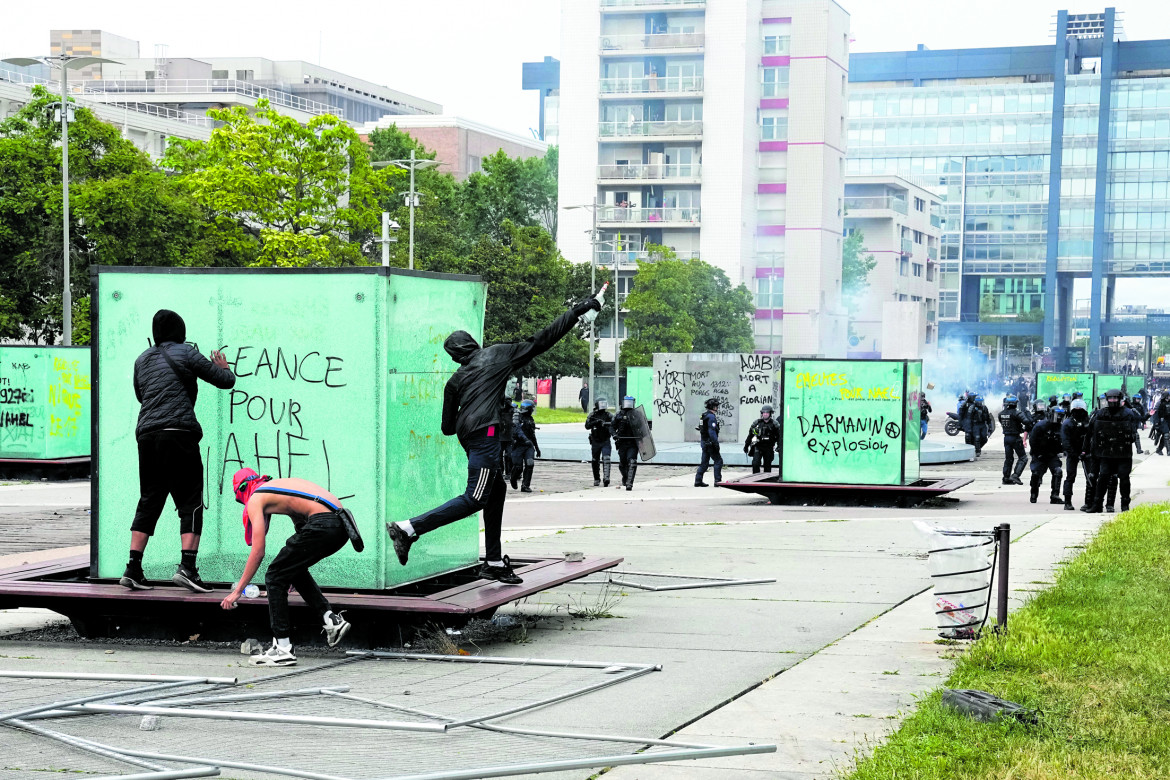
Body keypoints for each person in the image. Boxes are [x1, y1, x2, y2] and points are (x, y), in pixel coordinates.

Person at [384, 295, 603, 585]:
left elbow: (447, 428)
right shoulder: (497, 355)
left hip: (472, 438)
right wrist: (577, 311)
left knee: (496, 490)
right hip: (486, 435)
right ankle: (409, 528)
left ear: (454, 357)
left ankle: (494, 561)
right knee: (475, 497)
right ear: (474, 344)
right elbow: (541, 341)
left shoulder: (455, 381)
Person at [120, 309, 236, 593]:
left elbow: (141, 395)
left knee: (150, 499)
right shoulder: (186, 352)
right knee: (191, 499)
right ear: (180, 331)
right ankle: (188, 567)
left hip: (147, 435)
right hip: (178, 433)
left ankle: (133, 568)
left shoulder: (142, 359)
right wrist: (223, 366)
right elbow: (225, 381)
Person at [221, 469, 357, 667]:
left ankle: (283, 649)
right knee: (291, 568)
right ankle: (331, 620)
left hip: (323, 522)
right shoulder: (279, 487)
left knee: (274, 575)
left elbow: (258, 552)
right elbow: (302, 525)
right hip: (341, 525)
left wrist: (238, 591)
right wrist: (293, 575)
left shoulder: (255, 498)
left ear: (242, 490)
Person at [1082, 388, 1134, 514]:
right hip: (1106, 453)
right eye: (1110, 398)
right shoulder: (1100, 413)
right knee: (1103, 477)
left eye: (1115, 398)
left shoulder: (1127, 413)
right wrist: (1086, 450)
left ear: (1120, 399)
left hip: (1123, 453)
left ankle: (1125, 505)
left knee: (1124, 477)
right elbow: (1090, 433)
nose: (1112, 400)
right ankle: (1097, 504)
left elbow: (1132, 433)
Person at [1061, 399, 1093, 511]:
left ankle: (1089, 502)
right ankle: (1067, 502)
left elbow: (1092, 437)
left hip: (1087, 452)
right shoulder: (1067, 423)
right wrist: (1074, 453)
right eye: (1076, 409)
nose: (1078, 411)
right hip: (1072, 453)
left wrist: (1086, 451)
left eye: (1081, 409)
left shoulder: (1088, 422)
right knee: (1070, 477)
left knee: (1091, 476)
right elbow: (1065, 442)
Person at [1028, 409, 1064, 505]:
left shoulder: (1061, 427)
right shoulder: (1041, 426)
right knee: (1036, 474)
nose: (1059, 417)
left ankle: (1055, 496)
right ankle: (1034, 494)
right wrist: (1037, 453)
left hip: (1052, 455)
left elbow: (1064, 440)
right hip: (1039, 454)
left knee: (1058, 471)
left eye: (1061, 415)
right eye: (1057, 415)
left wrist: (1063, 451)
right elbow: (1032, 440)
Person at [510, 399, 540, 493]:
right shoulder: (517, 416)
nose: (532, 411)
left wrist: (537, 447)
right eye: (531, 409)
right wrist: (525, 439)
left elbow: (532, 434)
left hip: (529, 446)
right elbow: (517, 430)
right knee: (518, 466)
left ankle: (525, 485)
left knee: (530, 463)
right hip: (518, 445)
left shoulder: (530, 419)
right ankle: (513, 478)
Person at [998, 395, 1029, 486]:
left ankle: (1006, 478)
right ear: (1015, 403)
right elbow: (1026, 422)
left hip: (1006, 438)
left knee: (1009, 458)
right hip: (1015, 437)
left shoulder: (1001, 414)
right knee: (1023, 458)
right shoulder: (1017, 413)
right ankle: (1015, 475)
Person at [612, 396, 641, 491]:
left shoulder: (637, 415)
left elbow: (643, 428)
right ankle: (625, 477)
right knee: (622, 464)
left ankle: (629, 483)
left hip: (633, 442)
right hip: (622, 442)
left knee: (632, 461)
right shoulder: (618, 415)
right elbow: (612, 427)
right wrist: (615, 434)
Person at [585, 397, 614, 487]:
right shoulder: (592, 415)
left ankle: (606, 478)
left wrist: (607, 425)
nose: (603, 406)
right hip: (595, 441)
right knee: (595, 460)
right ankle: (596, 478)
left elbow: (614, 424)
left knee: (606, 458)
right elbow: (587, 426)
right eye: (601, 403)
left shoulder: (608, 415)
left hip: (605, 440)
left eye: (604, 403)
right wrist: (596, 422)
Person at [743, 404, 780, 473]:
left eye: (767, 413)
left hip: (769, 447)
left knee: (767, 465)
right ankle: (755, 479)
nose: (765, 414)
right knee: (755, 463)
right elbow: (750, 435)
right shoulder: (757, 423)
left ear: (770, 414)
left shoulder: (774, 424)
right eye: (764, 413)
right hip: (758, 446)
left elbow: (779, 437)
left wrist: (779, 446)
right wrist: (746, 446)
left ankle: (767, 481)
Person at [694, 397, 723, 486]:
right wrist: (716, 443)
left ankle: (698, 481)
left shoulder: (704, 415)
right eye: (716, 406)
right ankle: (717, 481)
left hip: (704, 442)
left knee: (704, 463)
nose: (717, 408)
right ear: (713, 407)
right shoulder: (711, 417)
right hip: (710, 443)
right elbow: (712, 431)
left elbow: (701, 428)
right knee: (718, 461)